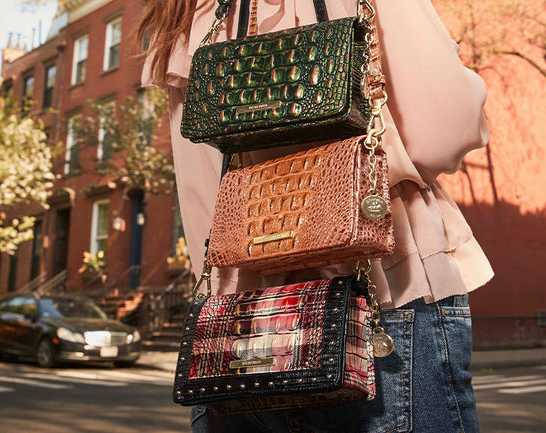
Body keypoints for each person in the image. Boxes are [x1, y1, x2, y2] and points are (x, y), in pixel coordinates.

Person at [140, 1, 493, 431]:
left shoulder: (189, 14)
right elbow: (447, 124)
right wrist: (354, 175)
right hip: (383, 288)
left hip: (237, 322)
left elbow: (202, 193)